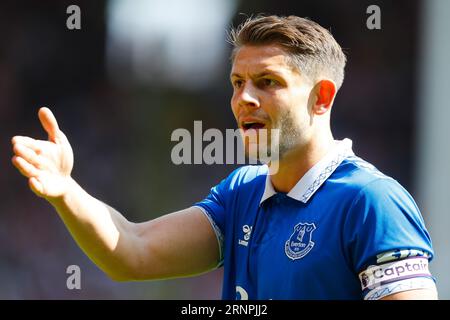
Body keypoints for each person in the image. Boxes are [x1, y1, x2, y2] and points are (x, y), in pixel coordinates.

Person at [11, 15, 437, 300]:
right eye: (237, 82)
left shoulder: (371, 200)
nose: (244, 99)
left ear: (321, 96)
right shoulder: (242, 193)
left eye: (267, 82)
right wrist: (66, 191)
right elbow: (133, 251)